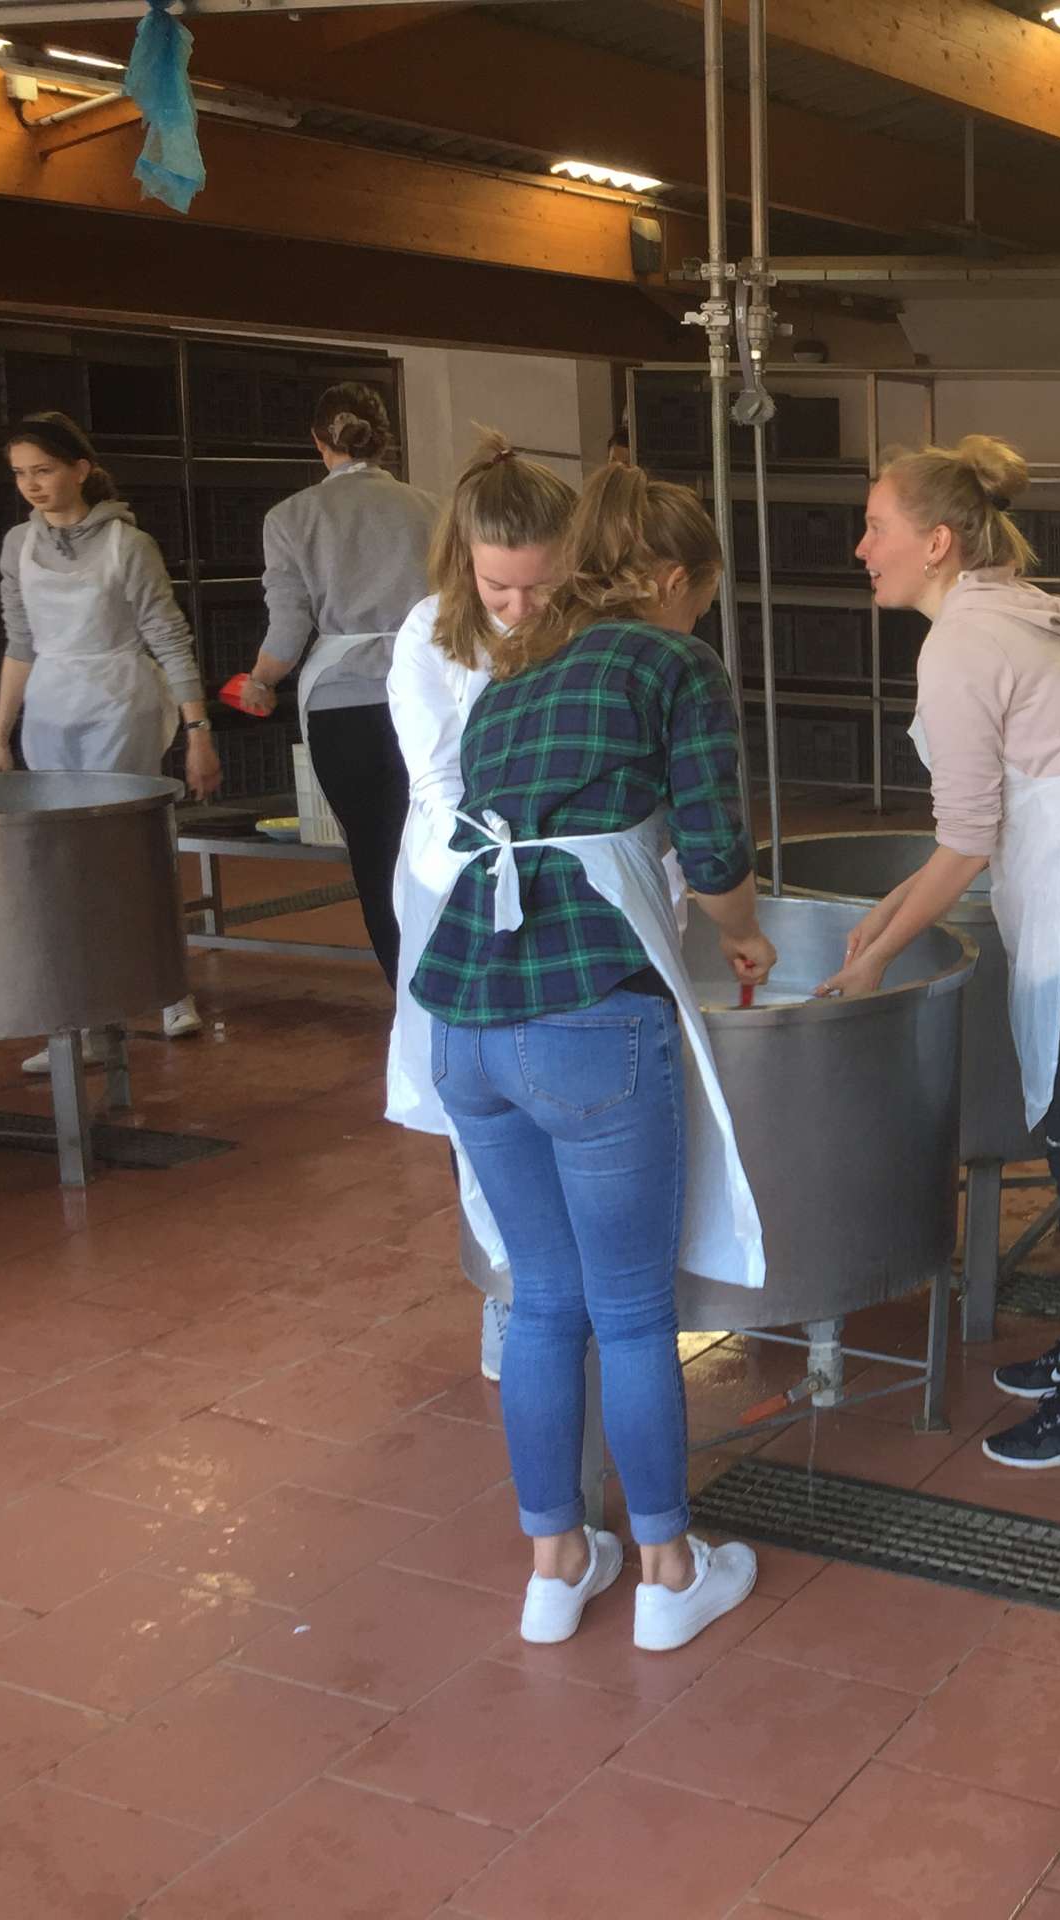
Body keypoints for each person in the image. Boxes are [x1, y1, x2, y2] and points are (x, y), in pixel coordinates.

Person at [397, 464, 772, 1653]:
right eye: (701, 595)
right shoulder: (674, 665)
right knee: (631, 1308)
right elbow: (712, 850)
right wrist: (743, 934)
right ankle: (667, 1571)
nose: (700, 615)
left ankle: (555, 1568)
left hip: (465, 1018)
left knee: (542, 1298)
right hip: (588, 1020)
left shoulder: (511, 676)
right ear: (671, 580)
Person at [821, 434, 1060, 1471]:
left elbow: (966, 840)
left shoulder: (964, 643)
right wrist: (884, 914)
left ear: (936, 541)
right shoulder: (1004, 613)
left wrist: (875, 957)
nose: (860, 548)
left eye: (875, 527)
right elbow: (975, 825)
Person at [383, 430, 578, 1385]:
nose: (520, 607)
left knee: (571, 1085)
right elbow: (437, 782)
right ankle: (509, 1292)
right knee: (484, 1104)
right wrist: (510, 852)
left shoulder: (587, 628)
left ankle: (578, 1284)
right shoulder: (429, 635)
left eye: (540, 585)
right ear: (463, 561)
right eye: (499, 587)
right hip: (457, 882)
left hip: (567, 879)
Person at [0, 410, 215, 1066]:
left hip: (121, 703)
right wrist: (1, 736)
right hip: (49, 709)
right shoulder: (18, 545)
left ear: (81, 469)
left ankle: (168, 987)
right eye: (20, 474)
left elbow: (169, 638)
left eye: (44, 470)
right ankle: (78, 1017)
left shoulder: (128, 544)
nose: (32, 484)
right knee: (59, 864)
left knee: (129, 849)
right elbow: (20, 643)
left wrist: (199, 731)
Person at [235, 384, 441, 985]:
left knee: (375, 858)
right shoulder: (436, 508)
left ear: (318, 442)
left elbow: (288, 626)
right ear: (385, 439)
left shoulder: (290, 517)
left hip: (341, 706)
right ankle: (455, 983)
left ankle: (407, 995)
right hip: (426, 696)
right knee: (438, 846)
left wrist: (260, 680)